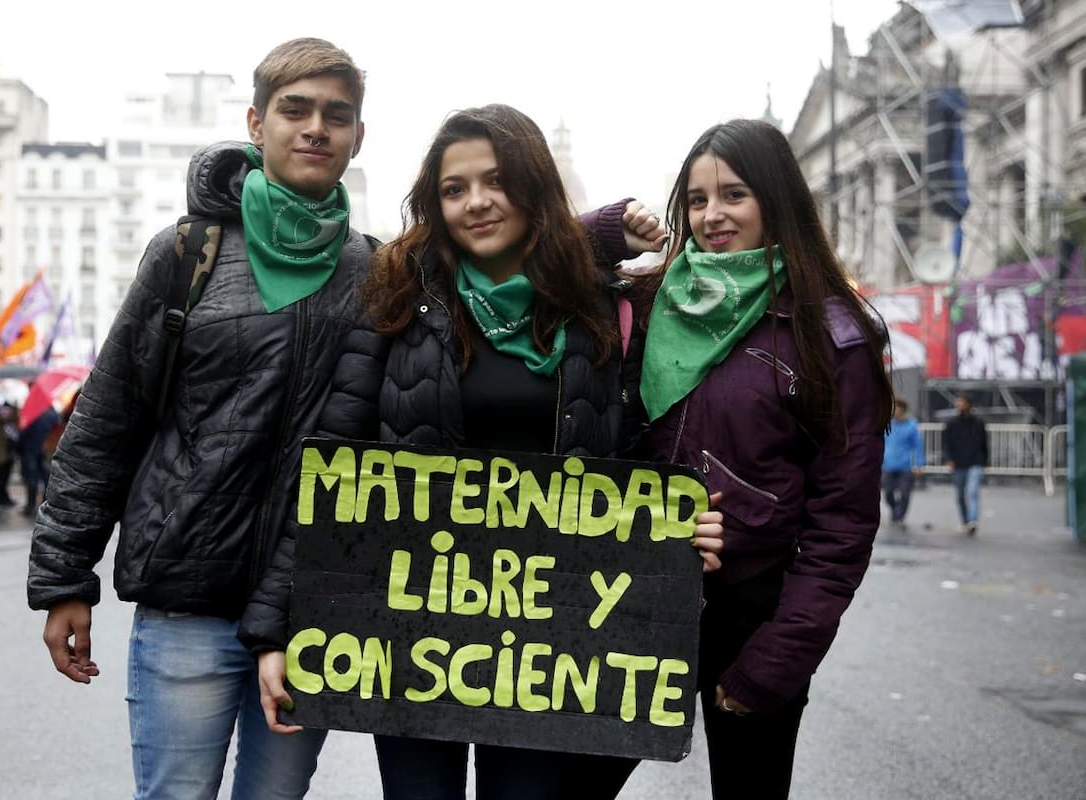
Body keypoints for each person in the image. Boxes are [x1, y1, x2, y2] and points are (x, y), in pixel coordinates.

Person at [239, 103, 724, 800]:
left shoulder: (603, 313)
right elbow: (331, 468)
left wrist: (682, 525)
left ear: (533, 185)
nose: (477, 203)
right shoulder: (397, 301)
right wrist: (274, 627)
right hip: (405, 635)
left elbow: (640, 459)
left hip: (546, 642)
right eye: (454, 188)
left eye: (495, 181)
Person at [27, 37, 385, 799]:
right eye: (296, 109)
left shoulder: (377, 271)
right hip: (186, 603)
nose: (316, 127)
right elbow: (107, 420)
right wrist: (64, 576)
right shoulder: (187, 252)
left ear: (358, 136)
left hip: (306, 613)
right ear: (257, 124)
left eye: (337, 114)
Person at [633, 118, 893, 800]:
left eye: (734, 195)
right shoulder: (642, 302)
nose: (712, 216)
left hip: (751, 615)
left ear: (775, 201)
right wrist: (604, 230)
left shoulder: (833, 335)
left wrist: (777, 661)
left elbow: (842, 524)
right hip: (630, 596)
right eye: (696, 200)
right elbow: (538, 260)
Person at [942, 392, 988, 536]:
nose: (958, 405)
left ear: (969, 405)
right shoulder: (951, 424)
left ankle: (972, 520)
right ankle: (965, 520)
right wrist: (948, 459)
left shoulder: (979, 423)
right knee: (960, 495)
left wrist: (985, 461)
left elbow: (984, 443)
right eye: (957, 403)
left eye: (961, 402)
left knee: (973, 492)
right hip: (958, 463)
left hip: (975, 462)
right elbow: (946, 444)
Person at [882, 396, 924, 530]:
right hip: (888, 465)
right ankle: (895, 511)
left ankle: (899, 516)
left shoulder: (911, 425)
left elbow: (917, 446)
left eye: (898, 408)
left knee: (905, 493)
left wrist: (919, 464)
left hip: (905, 465)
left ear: (903, 410)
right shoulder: (887, 424)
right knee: (888, 493)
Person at [16, 406, 58, 517]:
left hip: (31, 450)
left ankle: (31, 505)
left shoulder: (31, 415)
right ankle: (46, 503)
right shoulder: (53, 415)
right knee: (47, 478)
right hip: (46, 450)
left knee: (32, 480)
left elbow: (23, 434)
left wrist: (18, 448)